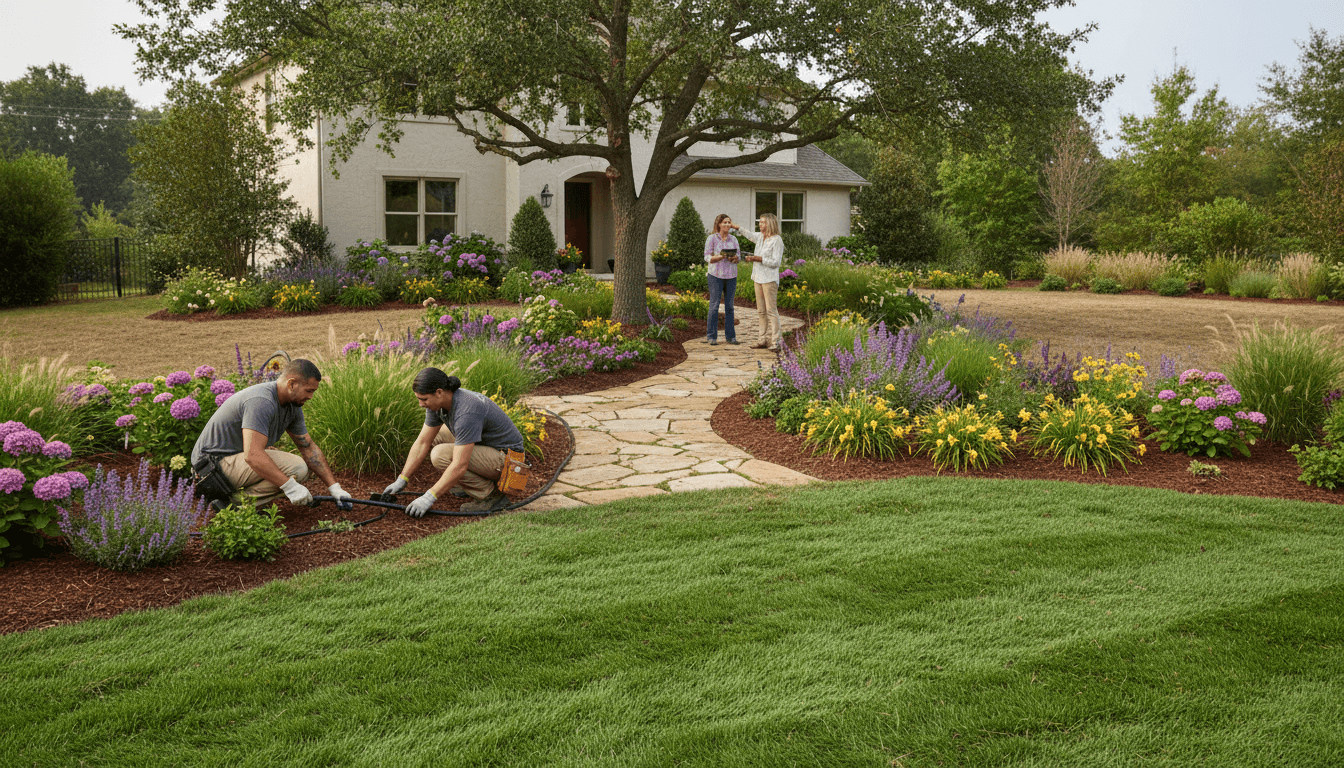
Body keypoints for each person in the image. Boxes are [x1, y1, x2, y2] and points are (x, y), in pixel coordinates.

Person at [190, 359, 353, 511]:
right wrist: (290, 487)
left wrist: (334, 488)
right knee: (296, 467)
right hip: (210, 469)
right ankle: (232, 505)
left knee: (298, 469)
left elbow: (307, 446)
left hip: (229, 465)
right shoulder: (262, 401)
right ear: (291, 384)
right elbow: (253, 456)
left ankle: (232, 502)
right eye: (308, 390)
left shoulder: (293, 406)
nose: (310, 397)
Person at [381, 368, 526, 516]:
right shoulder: (439, 403)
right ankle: (469, 483)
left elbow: (460, 464)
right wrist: (402, 479)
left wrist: (428, 497)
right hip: (487, 449)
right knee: (438, 437)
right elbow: (423, 442)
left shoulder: (467, 411)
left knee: (440, 455)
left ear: (439, 392)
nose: (421, 404)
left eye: (423, 399)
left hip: (510, 463)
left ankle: (490, 496)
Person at [733, 212, 785, 350]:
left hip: (769, 280)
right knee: (761, 311)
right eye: (759, 222)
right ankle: (762, 339)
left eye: (763, 222)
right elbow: (749, 234)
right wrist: (737, 227)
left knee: (771, 311)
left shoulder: (777, 240)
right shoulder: (760, 237)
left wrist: (758, 259)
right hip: (758, 278)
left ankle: (776, 342)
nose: (760, 224)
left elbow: (776, 262)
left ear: (770, 224)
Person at [703, 213, 742, 346]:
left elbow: (738, 257)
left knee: (730, 307)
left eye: (729, 222)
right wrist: (719, 257)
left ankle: (731, 337)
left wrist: (734, 258)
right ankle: (711, 336)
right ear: (719, 224)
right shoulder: (712, 239)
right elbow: (707, 257)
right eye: (724, 222)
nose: (727, 225)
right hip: (715, 276)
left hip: (731, 276)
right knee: (714, 306)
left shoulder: (734, 239)